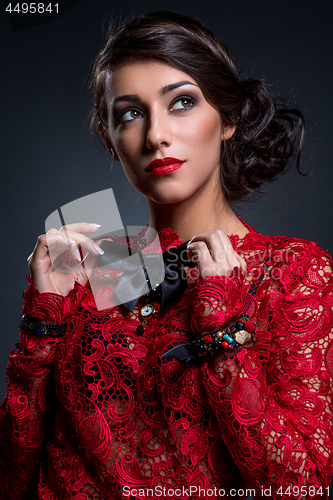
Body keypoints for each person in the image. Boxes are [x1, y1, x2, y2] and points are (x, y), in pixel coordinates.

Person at [1, 10, 332, 500]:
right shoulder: (89, 271)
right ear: (110, 140)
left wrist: (221, 332)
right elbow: (14, 480)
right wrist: (43, 324)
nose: (156, 135)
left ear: (228, 120)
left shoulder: (294, 272)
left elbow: (301, 487)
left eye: (181, 102)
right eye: (130, 114)